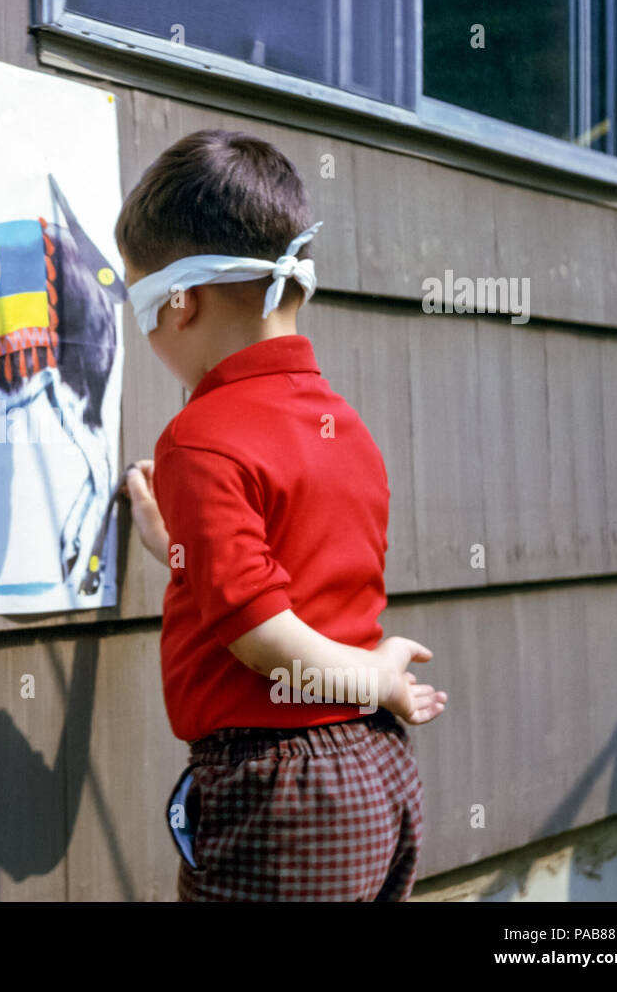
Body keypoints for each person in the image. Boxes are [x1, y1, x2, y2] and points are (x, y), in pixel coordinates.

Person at [116, 129, 447, 902]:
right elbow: (271, 565)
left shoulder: (199, 438)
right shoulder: (345, 426)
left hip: (281, 787)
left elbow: (262, 634)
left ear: (180, 301)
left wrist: (375, 677)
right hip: (375, 771)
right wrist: (172, 539)